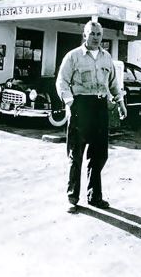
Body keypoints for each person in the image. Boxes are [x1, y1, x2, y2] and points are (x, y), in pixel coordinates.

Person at [56, 20, 127, 214]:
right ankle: (72, 197)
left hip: (100, 107)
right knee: (76, 154)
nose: (96, 37)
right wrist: (70, 103)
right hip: (80, 106)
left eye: (98, 34)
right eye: (92, 33)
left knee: (99, 155)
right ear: (84, 35)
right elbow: (61, 81)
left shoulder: (107, 58)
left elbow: (113, 83)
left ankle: (95, 197)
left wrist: (120, 103)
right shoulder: (73, 57)